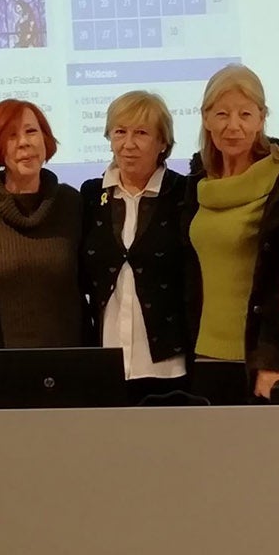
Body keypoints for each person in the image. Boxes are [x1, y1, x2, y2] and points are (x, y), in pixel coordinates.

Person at [184, 64, 279, 400]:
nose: (234, 126)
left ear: (261, 118)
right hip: (205, 354)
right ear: (206, 118)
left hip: (260, 361)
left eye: (245, 114)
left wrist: (274, 357)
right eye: (222, 114)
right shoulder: (197, 181)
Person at [79, 90, 189, 404]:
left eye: (141, 133)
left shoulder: (183, 193)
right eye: (120, 132)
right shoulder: (91, 196)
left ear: (163, 142)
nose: (128, 144)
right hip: (105, 358)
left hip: (167, 363)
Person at [0, 99, 85, 348]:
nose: (24, 142)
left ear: (45, 139)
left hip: (67, 360)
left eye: (31, 131)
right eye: (11, 135)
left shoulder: (71, 203)